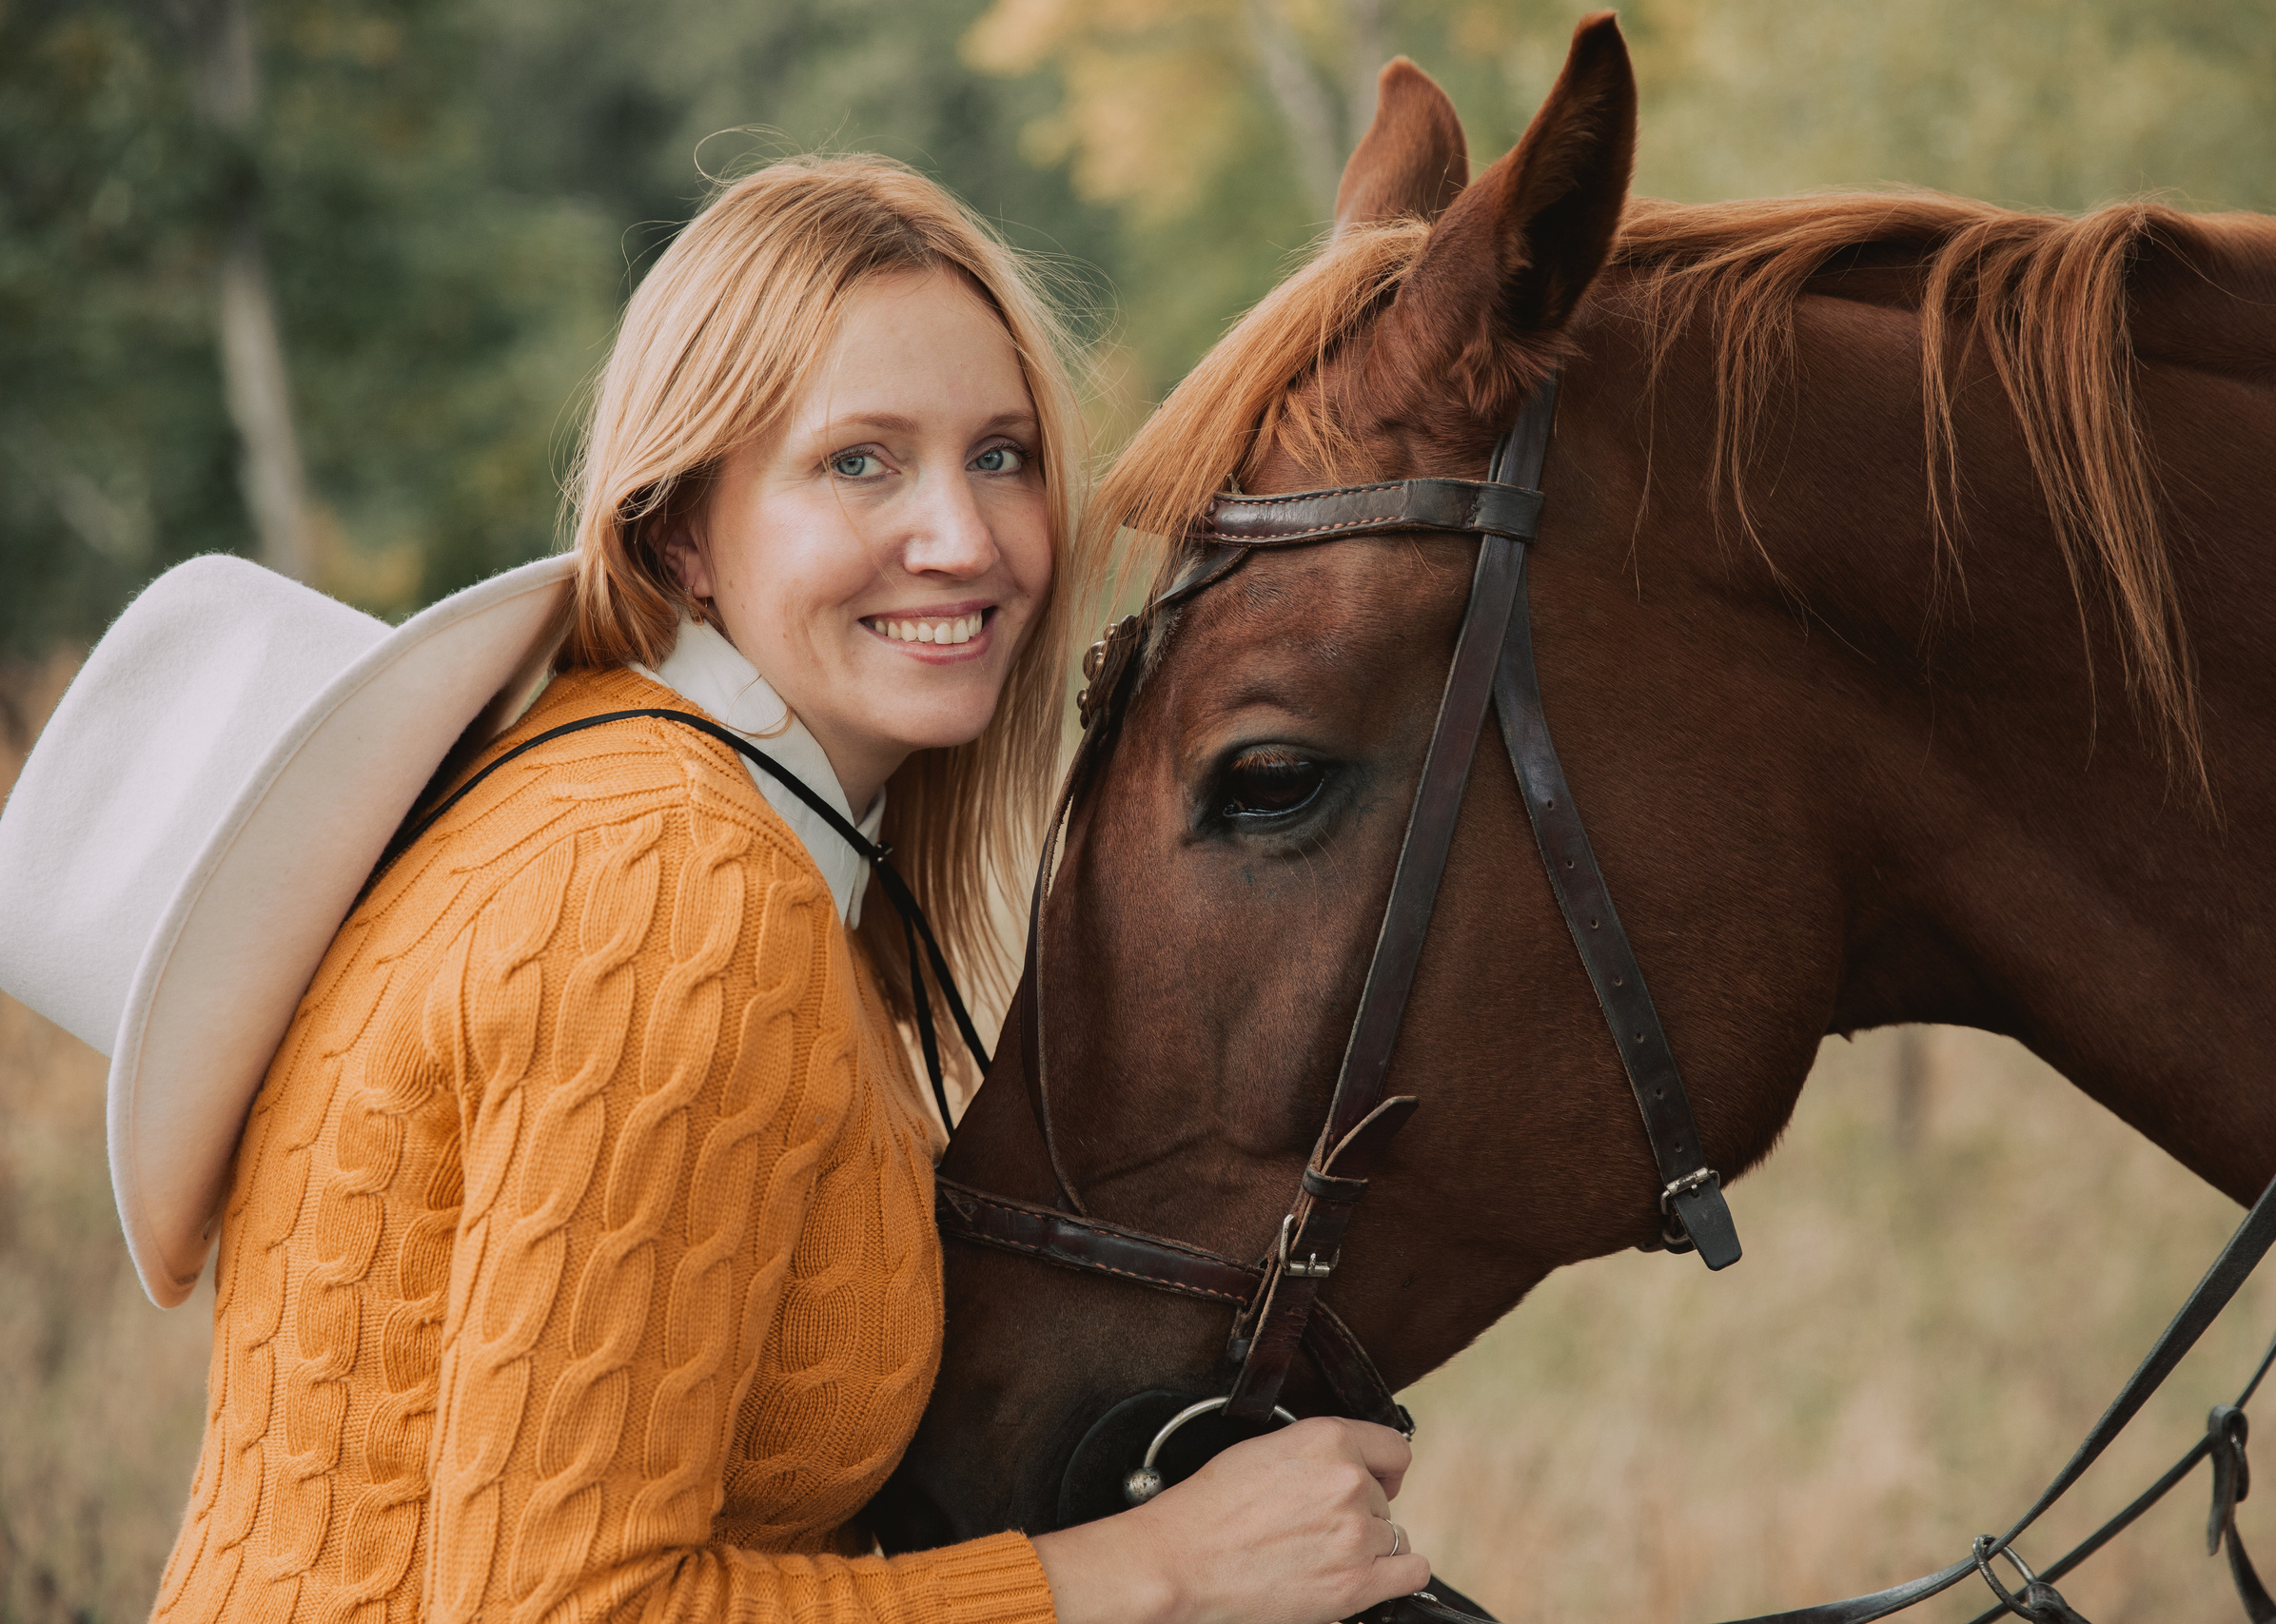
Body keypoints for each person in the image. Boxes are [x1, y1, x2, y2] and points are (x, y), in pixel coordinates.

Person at [0, 155, 1430, 1624]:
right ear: (681, 530)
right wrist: (1159, 1576)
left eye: (1001, 454)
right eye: (860, 462)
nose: (967, 537)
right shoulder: (674, 888)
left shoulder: (632, 799)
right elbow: (566, 1611)